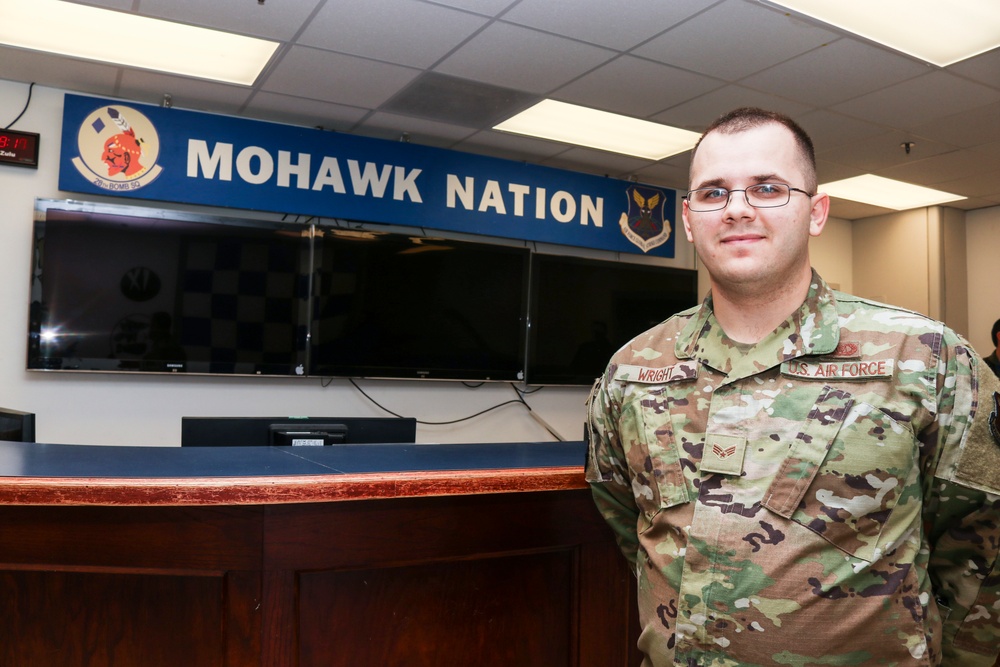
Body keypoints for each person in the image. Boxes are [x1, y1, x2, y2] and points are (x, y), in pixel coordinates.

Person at [585, 107, 1000, 666]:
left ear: (816, 212)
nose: (737, 209)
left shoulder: (925, 357)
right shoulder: (632, 369)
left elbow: (984, 540)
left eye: (767, 188)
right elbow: (629, 522)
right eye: (713, 193)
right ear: (688, 220)